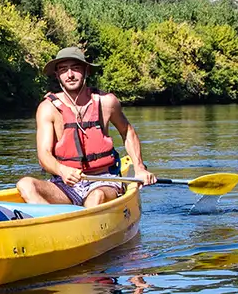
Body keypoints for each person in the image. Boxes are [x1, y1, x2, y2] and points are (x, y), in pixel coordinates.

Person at [16, 46, 155, 207]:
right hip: (65, 184)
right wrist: (61, 170)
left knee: (96, 197)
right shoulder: (48, 108)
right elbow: (44, 154)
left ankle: (77, 221)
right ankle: (55, 222)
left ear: (86, 70)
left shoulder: (107, 102)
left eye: (75, 68)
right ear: (57, 75)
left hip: (103, 180)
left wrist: (139, 168)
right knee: (25, 185)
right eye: (63, 69)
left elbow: (128, 132)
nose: (70, 75)